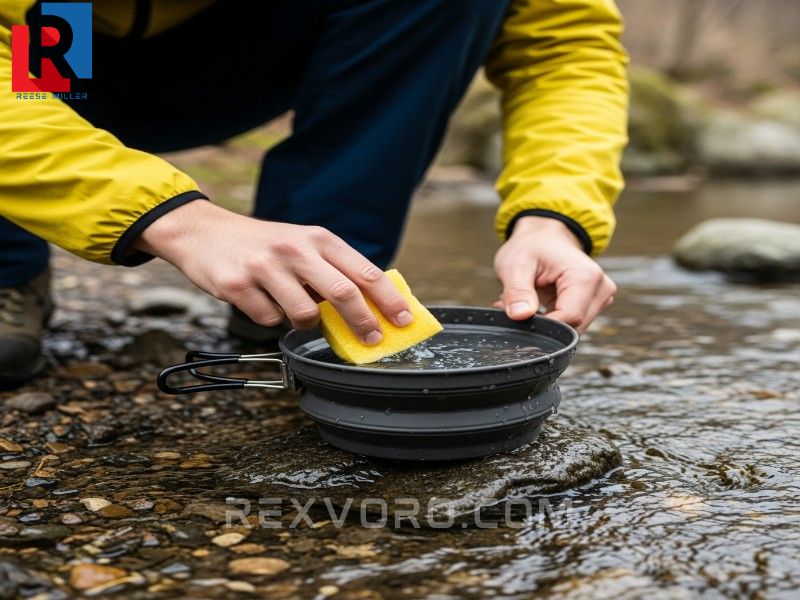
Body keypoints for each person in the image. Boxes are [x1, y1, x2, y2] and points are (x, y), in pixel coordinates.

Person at [0, 0, 627, 388]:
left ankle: (311, 293)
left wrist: (553, 216)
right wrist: (177, 221)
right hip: (51, 46)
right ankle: (11, 272)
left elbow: (564, 49)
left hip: (245, 47)